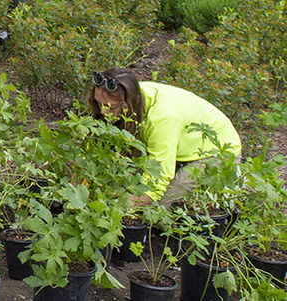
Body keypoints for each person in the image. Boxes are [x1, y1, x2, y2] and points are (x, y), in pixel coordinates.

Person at [88, 69, 241, 206]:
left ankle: (242, 186)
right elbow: (91, 151)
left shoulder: (162, 118)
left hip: (215, 152)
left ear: (129, 103)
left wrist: (118, 209)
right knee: (123, 182)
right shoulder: (127, 96)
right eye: (99, 103)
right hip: (174, 145)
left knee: (159, 206)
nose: (103, 112)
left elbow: (158, 179)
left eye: (112, 107)